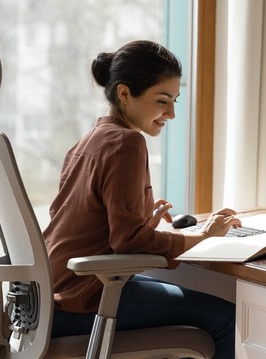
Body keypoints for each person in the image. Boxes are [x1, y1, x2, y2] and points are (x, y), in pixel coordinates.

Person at [43, 40, 240, 358]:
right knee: (229, 321)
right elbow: (128, 242)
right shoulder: (127, 142)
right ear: (124, 94)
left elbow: (91, 227)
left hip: (51, 299)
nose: (172, 113)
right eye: (163, 100)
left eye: (175, 100)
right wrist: (204, 236)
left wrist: (142, 224)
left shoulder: (87, 142)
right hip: (87, 299)